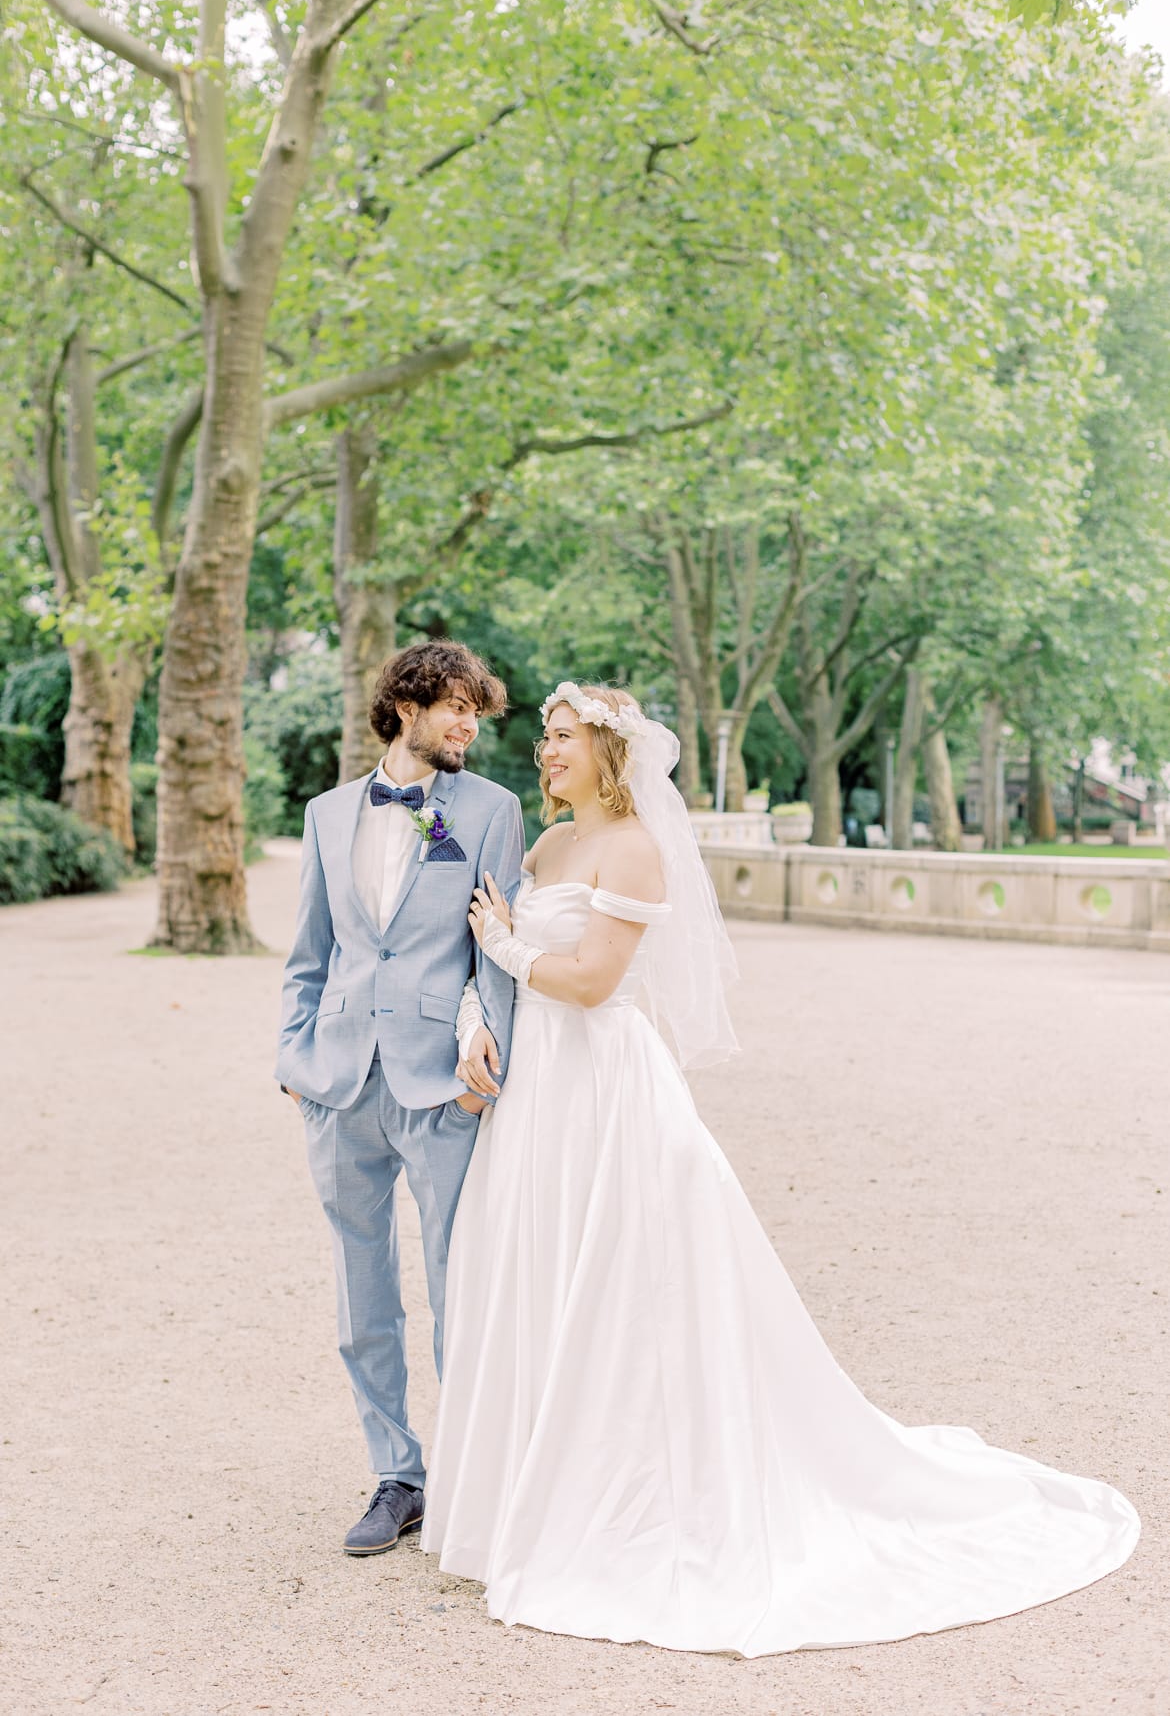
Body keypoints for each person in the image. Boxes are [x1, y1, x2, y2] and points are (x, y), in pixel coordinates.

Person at [420, 681, 1140, 1656]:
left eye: (559, 738)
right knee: (534, 1278)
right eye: (543, 738)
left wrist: (503, 942)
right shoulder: (544, 848)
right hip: (532, 1098)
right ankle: (522, 1494)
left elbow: (589, 983)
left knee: (619, 1294)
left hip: (603, 1093)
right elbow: (486, 972)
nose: (543, 753)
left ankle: (620, 1497)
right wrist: (474, 1016)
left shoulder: (634, 848)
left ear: (607, 752)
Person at [276, 640, 523, 1557]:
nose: (468, 723)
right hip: (339, 1082)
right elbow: (310, 953)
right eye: (454, 707)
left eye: (476, 710)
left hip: (440, 1085)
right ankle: (397, 1474)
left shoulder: (493, 811)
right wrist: (293, 1061)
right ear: (405, 709)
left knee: (462, 1285)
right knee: (360, 1289)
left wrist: (483, 1052)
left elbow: (495, 942)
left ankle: (467, 1472)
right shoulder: (328, 813)